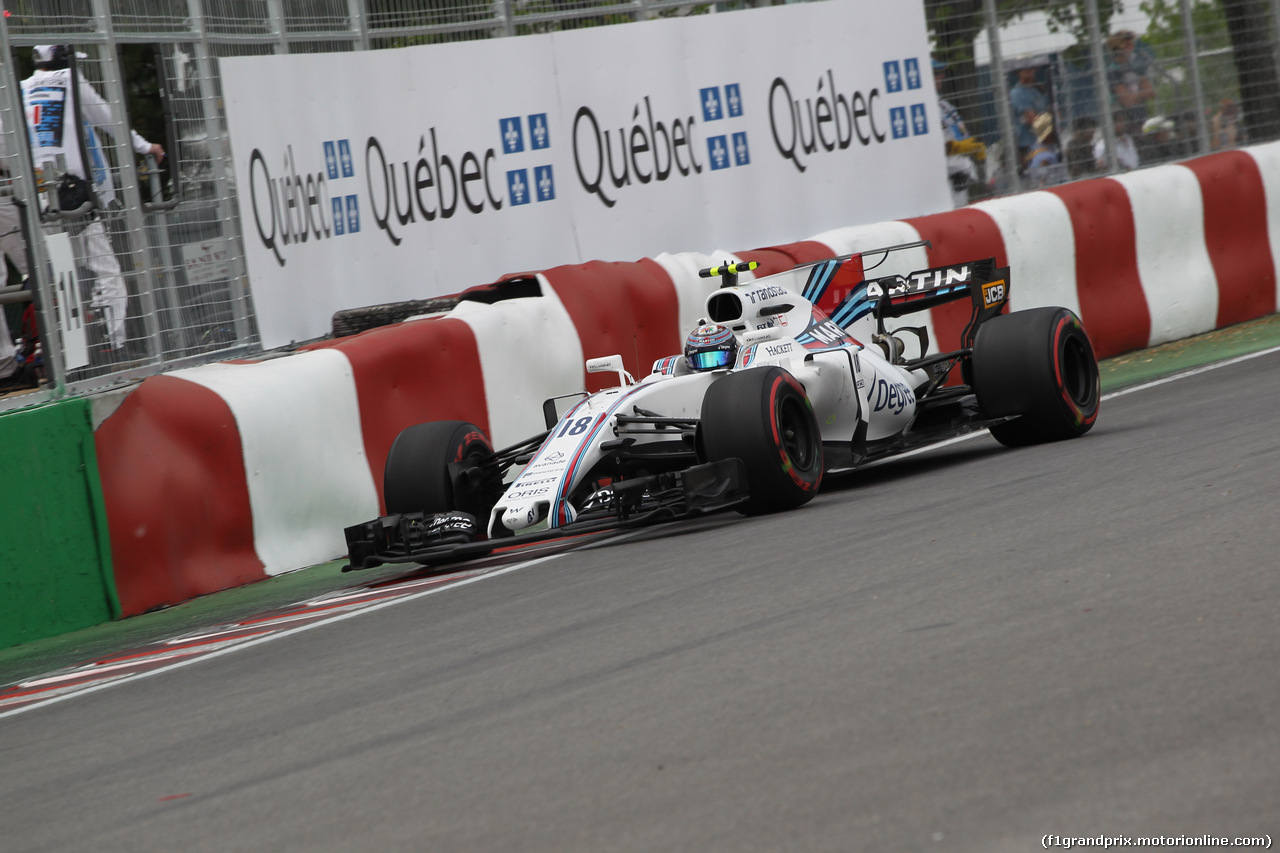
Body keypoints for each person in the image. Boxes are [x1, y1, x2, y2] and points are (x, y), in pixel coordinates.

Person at [21, 44, 164, 355]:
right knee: (107, 272)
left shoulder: (20, 90)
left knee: (64, 274)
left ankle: (68, 355)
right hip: (75, 195)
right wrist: (144, 146)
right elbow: (107, 119)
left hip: (41, 196)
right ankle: (114, 345)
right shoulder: (69, 80)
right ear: (63, 60)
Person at [934, 59, 986, 208]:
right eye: (936, 74)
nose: (942, 76)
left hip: (960, 175)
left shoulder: (943, 105)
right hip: (945, 179)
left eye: (941, 73)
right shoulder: (925, 108)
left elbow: (961, 135)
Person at [1106, 30, 1156, 128]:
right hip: (1124, 120)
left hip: (1142, 115)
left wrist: (1135, 96)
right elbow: (1126, 100)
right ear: (1119, 48)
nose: (1132, 48)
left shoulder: (1136, 66)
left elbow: (1152, 93)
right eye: (1128, 45)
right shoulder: (1113, 70)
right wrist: (1141, 94)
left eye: (1132, 44)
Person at [1009, 65, 1048, 170]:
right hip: (1026, 146)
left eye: (1031, 66)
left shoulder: (1039, 89)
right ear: (1018, 71)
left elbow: (1055, 115)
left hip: (1042, 143)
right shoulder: (1017, 92)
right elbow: (1034, 120)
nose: (1028, 69)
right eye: (1024, 67)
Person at [1024, 112, 1065, 188]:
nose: (1059, 131)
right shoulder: (1045, 158)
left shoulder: (1036, 149)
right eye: (1054, 130)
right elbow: (1042, 184)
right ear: (1048, 135)